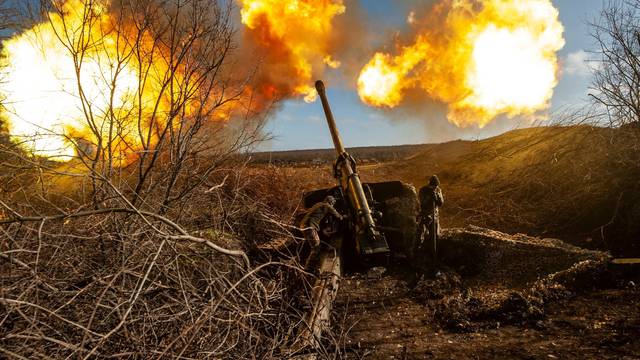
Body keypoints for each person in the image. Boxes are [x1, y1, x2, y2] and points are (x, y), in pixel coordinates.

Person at [299, 195, 344, 269]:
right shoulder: (327, 206)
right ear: (331, 202)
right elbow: (338, 216)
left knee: (314, 244)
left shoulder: (318, 204)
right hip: (310, 227)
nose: (333, 204)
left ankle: (309, 264)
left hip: (303, 225)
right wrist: (344, 216)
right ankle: (308, 268)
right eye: (333, 202)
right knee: (316, 247)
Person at [415, 175, 444, 260]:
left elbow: (441, 203)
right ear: (429, 184)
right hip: (424, 215)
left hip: (434, 216)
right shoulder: (423, 190)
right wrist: (429, 198)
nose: (434, 187)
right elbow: (422, 203)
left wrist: (437, 197)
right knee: (420, 236)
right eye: (433, 186)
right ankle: (418, 255)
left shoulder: (438, 190)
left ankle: (433, 256)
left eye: (435, 186)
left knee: (435, 236)